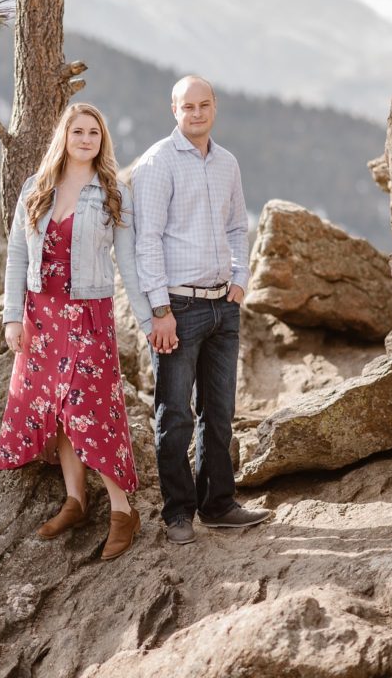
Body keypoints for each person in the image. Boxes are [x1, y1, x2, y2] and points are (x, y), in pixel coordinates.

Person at [0, 103, 152, 561]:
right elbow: (17, 259)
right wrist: (11, 316)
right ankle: (75, 500)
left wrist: (148, 320)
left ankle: (122, 511)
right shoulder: (35, 188)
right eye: (78, 131)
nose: (85, 139)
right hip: (41, 317)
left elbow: (129, 264)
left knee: (90, 405)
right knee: (56, 406)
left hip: (88, 315)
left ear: (102, 142)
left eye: (94, 133)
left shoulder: (112, 193)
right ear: (64, 136)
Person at [132, 75, 272, 545]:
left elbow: (237, 226)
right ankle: (177, 513)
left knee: (220, 412)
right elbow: (145, 241)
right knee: (174, 414)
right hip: (178, 307)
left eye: (204, 104)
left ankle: (218, 505)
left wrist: (240, 279)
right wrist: (159, 310)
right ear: (173, 110)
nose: (196, 113)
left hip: (222, 306)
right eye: (187, 106)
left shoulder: (227, 162)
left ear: (215, 107)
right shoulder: (157, 163)